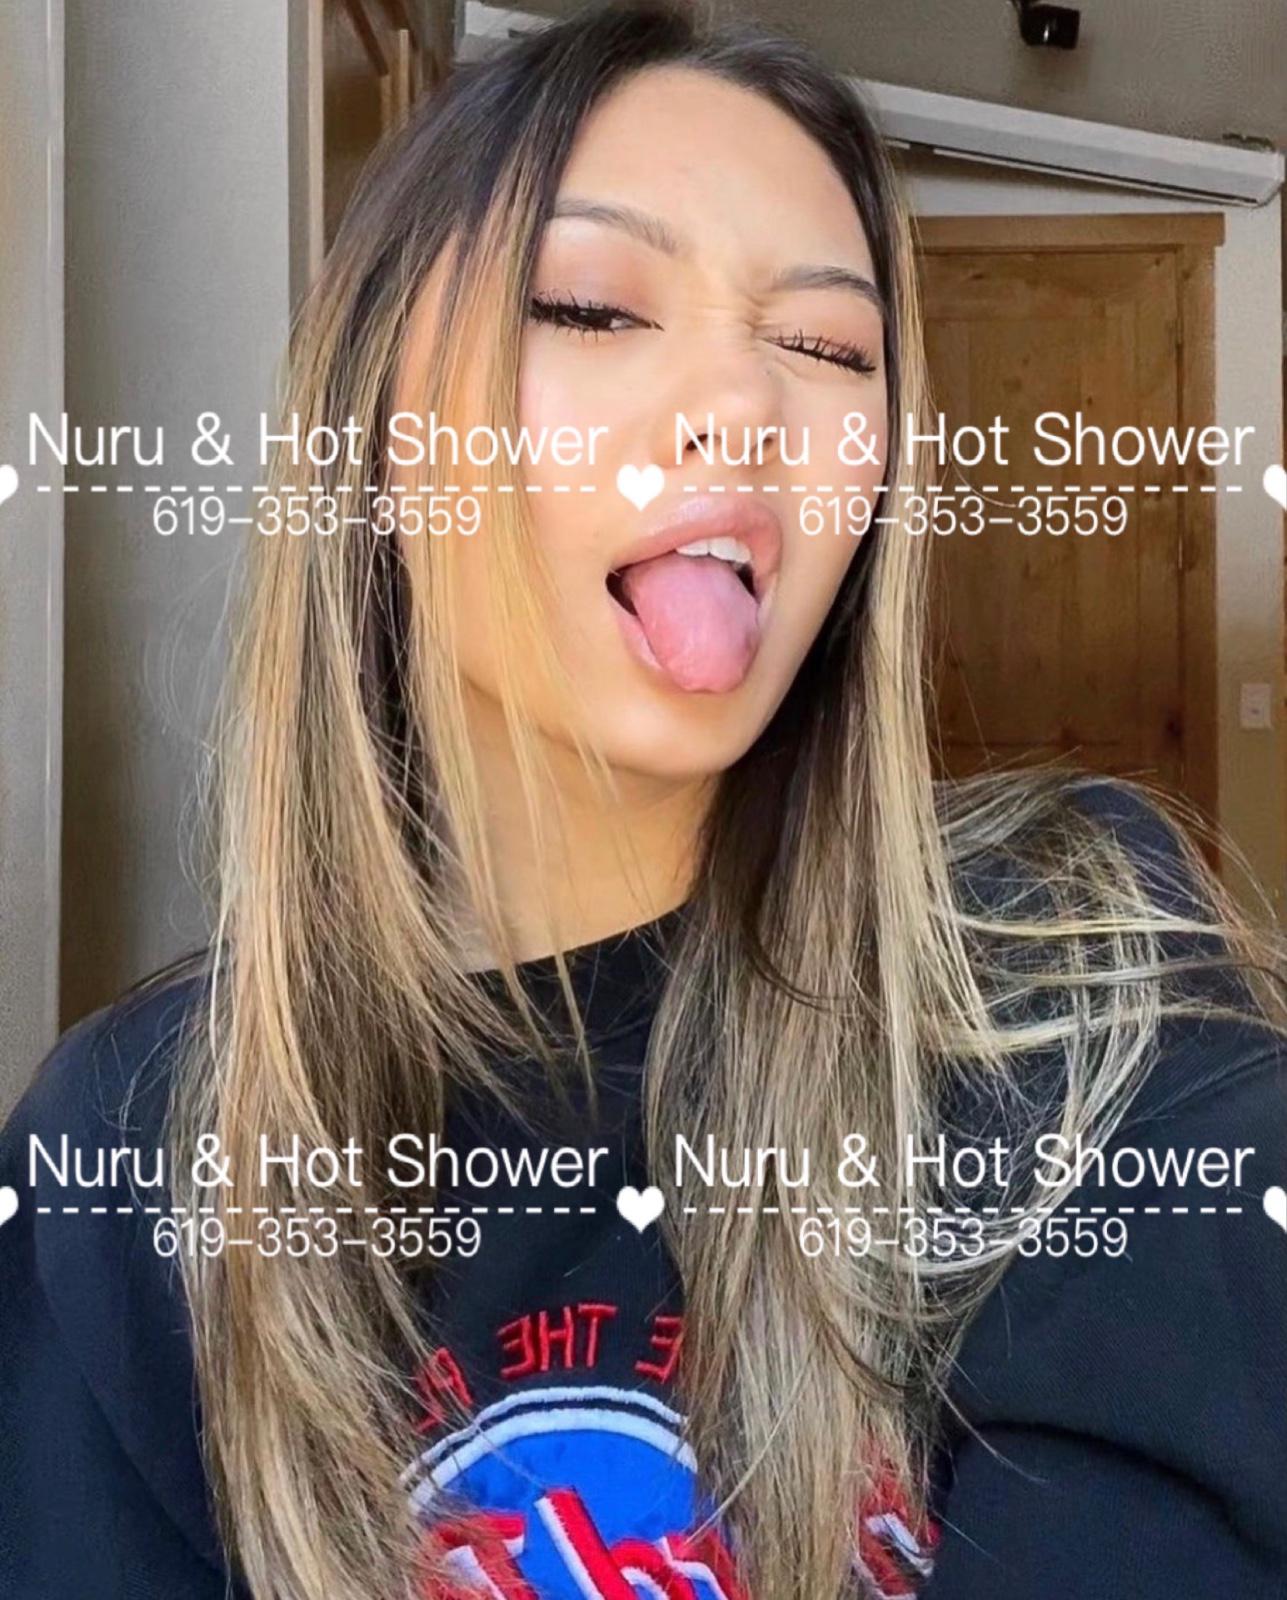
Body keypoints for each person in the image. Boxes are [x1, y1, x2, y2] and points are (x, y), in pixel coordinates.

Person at [3, 4, 1286, 1598]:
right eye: (595, 307)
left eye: (828, 349)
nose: (744, 398)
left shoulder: (1075, 979)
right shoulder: (132, 1147)